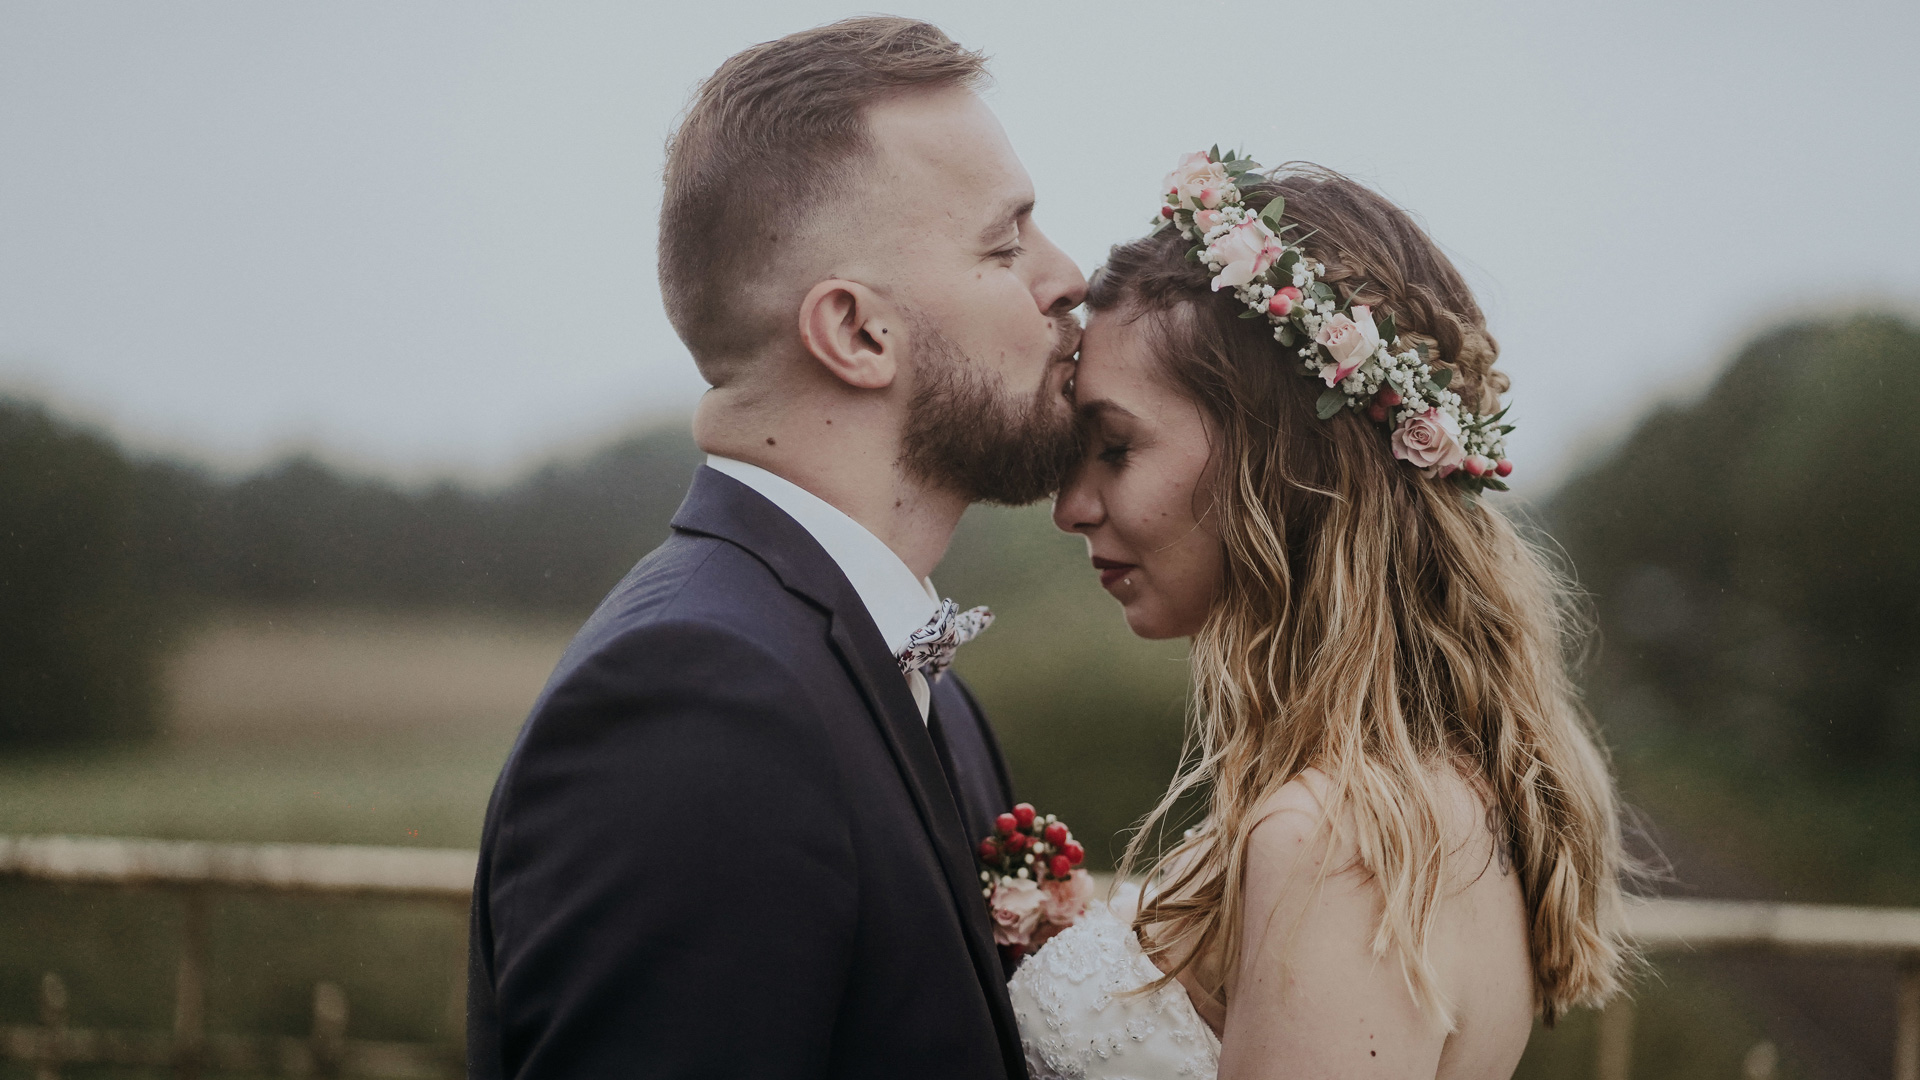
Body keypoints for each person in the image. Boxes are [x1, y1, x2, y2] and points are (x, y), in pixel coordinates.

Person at [465, 18, 1084, 1079]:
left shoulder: (914, 673)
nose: (1067, 277)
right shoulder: (696, 704)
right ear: (854, 333)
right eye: (1005, 244)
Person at [1007, 156, 1634, 1079]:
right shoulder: (1407, 799)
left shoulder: (1337, 840)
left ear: (1277, 459)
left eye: (1114, 446)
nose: (1072, 506)